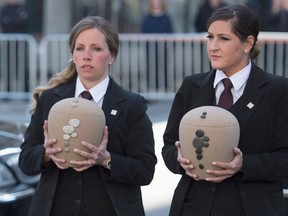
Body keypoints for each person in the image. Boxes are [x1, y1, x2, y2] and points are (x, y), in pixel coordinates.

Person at [18, 16, 157, 216]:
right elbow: (25, 160)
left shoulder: (132, 105)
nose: (86, 56)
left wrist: (106, 159)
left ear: (112, 56)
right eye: (80, 48)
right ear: (73, 54)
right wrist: (46, 154)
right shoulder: (50, 100)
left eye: (96, 49)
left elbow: (145, 170)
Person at [162, 4, 288, 216]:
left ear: (248, 43)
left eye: (224, 38)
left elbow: (285, 158)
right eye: (210, 37)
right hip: (194, 207)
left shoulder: (278, 90)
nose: (213, 46)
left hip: (252, 207)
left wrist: (244, 164)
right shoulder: (191, 86)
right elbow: (168, 146)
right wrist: (180, 159)